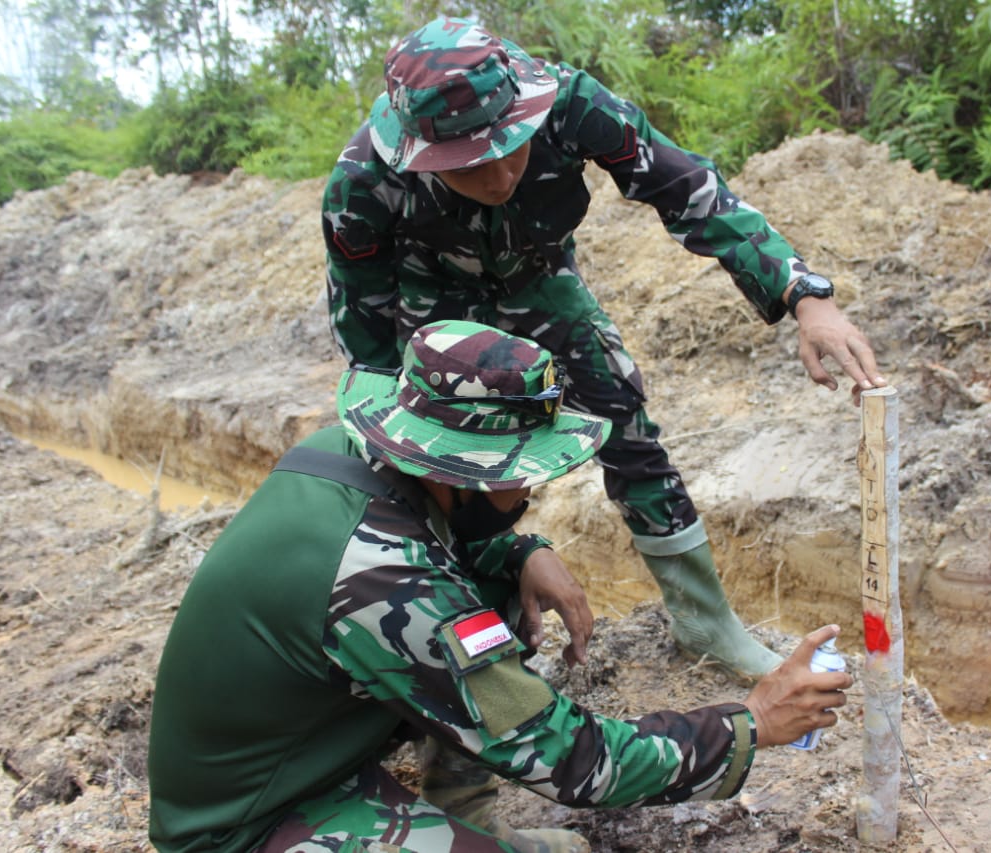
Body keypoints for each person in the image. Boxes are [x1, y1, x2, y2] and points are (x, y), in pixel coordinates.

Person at [147, 320, 854, 853]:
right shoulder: (388, 580)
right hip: (243, 825)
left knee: (491, 587)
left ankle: (461, 815)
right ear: (463, 469)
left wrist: (518, 549)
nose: (531, 484)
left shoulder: (347, 453)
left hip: (295, 757)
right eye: (519, 469)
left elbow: (429, 535)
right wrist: (751, 721)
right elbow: (577, 761)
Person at [322, 17, 886, 681]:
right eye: (473, 164)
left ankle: (704, 622)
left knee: (625, 418)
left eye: (514, 144)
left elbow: (685, 188)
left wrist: (803, 295)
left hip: (541, 282)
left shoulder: (571, 104)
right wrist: (401, 445)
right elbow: (369, 346)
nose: (503, 174)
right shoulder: (363, 183)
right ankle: (459, 638)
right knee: (446, 469)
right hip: (435, 316)